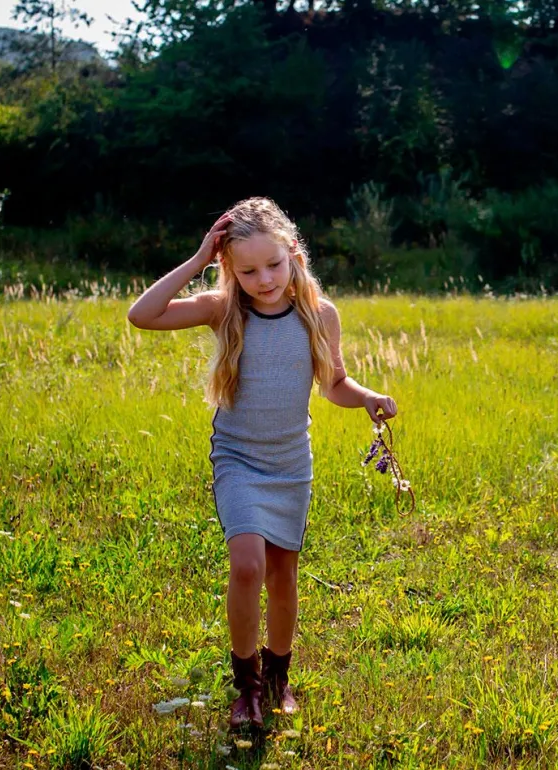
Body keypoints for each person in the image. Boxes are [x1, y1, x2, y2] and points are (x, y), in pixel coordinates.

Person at [127, 197, 397, 730]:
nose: (264, 279)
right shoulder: (223, 308)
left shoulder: (318, 315)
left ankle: (278, 678)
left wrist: (366, 396)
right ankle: (245, 686)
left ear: (294, 253)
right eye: (246, 270)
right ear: (229, 268)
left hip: (290, 462)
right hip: (239, 460)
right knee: (247, 564)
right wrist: (200, 256)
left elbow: (334, 384)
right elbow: (143, 315)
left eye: (273, 264)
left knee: (283, 574)